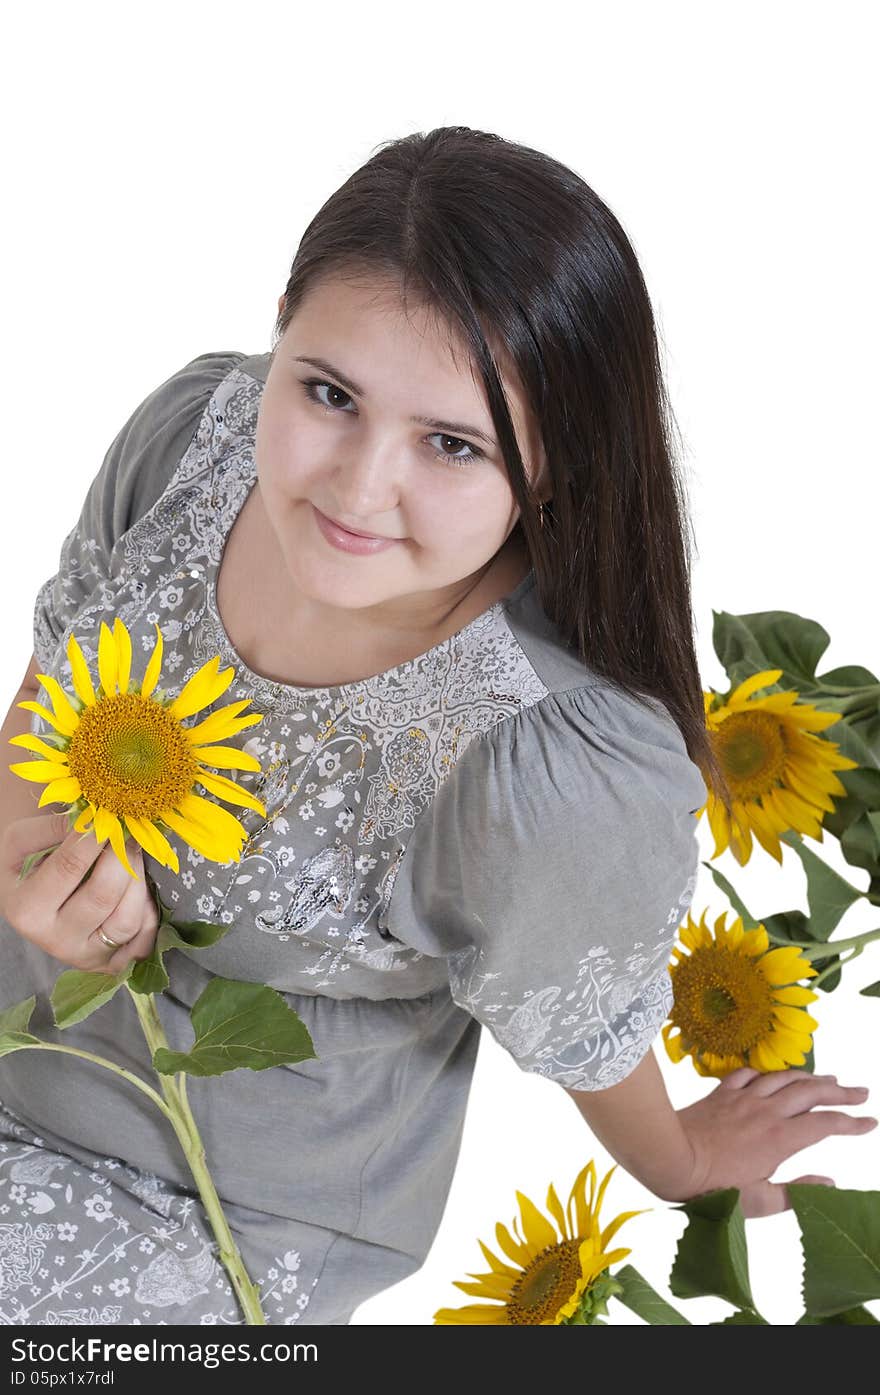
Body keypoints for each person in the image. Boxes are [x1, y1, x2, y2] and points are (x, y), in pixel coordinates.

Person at [0, 126, 872, 1327]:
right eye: (327, 393)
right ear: (277, 332)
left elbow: (581, 1016)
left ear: (556, 467)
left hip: (205, 1202)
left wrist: (674, 1160)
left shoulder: (544, 763)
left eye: (452, 445)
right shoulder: (192, 443)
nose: (358, 489)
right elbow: (54, 697)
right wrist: (25, 841)